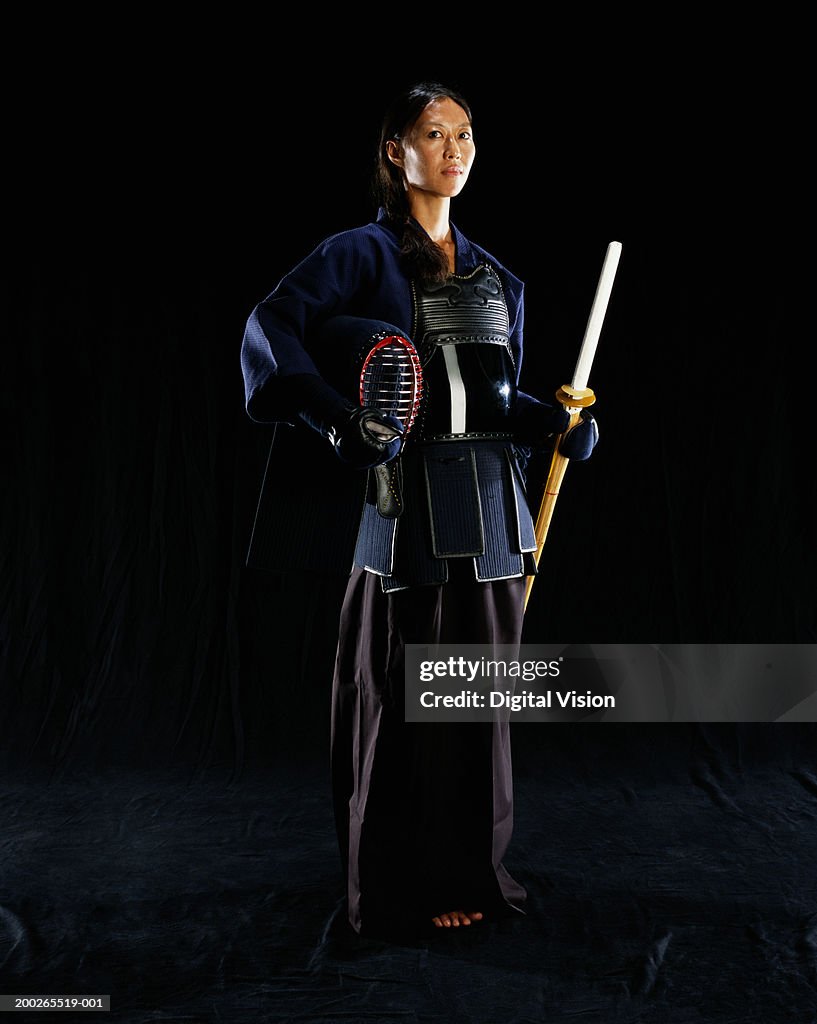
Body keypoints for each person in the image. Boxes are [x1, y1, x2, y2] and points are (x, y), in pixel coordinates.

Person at [240, 81, 598, 939]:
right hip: (405, 522)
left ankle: (469, 868)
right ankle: (393, 885)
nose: (453, 149)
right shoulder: (355, 256)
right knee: (395, 704)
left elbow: (492, 402)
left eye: (465, 134)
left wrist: (560, 429)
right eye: (432, 134)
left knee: (476, 711)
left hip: (493, 521)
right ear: (395, 153)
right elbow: (271, 327)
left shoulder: (497, 280)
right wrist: (336, 419)